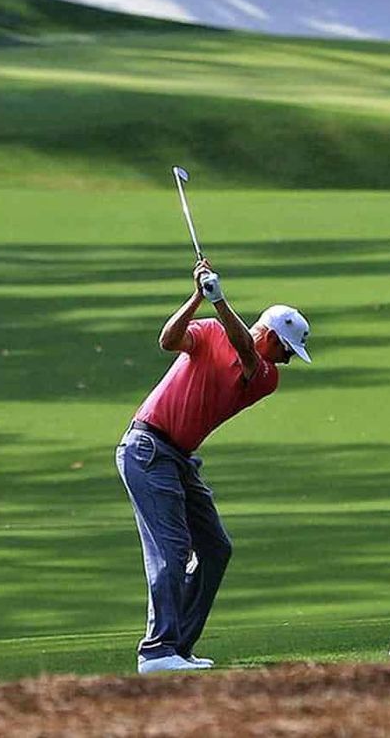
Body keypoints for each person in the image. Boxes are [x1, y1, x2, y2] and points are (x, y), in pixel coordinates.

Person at [115, 256, 311, 674]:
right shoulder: (207, 332)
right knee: (171, 550)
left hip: (178, 459)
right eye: (287, 349)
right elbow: (168, 341)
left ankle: (178, 648)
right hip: (148, 450)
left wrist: (220, 300)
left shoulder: (265, 375)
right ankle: (157, 651)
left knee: (215, 548)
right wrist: (196, 298)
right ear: (271, 336)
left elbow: (246, 355)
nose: (289, 360)